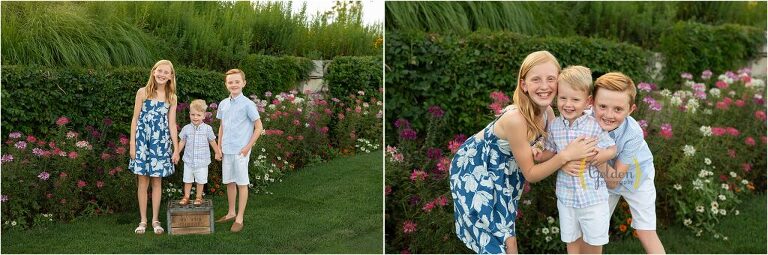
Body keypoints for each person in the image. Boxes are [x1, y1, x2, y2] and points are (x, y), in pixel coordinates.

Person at [449, 51, 598, 254]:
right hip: (476, 168)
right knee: (495, 237)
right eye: (536, 79)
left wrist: (570, 154)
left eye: (551, 79)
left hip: (507, 171)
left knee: (507, 230)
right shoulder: (516, 119)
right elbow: (533, 172)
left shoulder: (548, 113)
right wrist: (565, 157)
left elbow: (555, 148)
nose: (544, 86)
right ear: (524, 84)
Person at [563, 72, 666, 253]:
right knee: (592, 229)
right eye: (602, 106)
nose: (609, 115)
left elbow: (615, 180)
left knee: (645, 230)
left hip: (636, 178)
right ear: (591, 102)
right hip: (601, 179)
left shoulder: (633, 133)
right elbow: (558, 135)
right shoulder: (581, 118)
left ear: (631, 109)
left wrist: (598, 159)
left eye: (618, 109)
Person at [532, 66, 616, 254]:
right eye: (563, 98)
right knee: (572, 241)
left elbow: (612, 148)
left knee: (594, 243)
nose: (568, 104)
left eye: (575, 99)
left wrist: (601, 156)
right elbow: (552, 152)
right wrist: (539, 155)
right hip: (567, 198)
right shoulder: (554, 126)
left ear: (588, 102)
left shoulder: (594, 125)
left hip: (593, 199)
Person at [129, 60, 180, 235]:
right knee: (143, 182)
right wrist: (132, 145)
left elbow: (172, 125)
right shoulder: (143, 93)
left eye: (166, 72)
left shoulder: (171, 97)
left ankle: (155, 220)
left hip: (160, 144)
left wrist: (176, 148)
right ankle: (143, 220)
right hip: (143, 143)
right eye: (160, 71)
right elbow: (135, 119)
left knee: (157, 181)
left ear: (171, 76)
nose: (162, 74)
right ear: (153, 72)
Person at [215, 69, 263, 233]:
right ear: (226, 84)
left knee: (242, 183)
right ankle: (230, 212)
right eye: (230, 82)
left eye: (237, 81)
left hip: (241, 151)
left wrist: (247, 147)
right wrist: (219, 147)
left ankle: (240, 218)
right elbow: (221, 127)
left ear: (243, 83)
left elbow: (258, 127)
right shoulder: (223, 104)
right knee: (229, 182)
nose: (233, 84)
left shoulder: (248, 104)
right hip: (226, 150)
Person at [175, 99, 222, 206]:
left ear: (204, 115)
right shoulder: (186, 129)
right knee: (187, 179)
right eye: (193, 114)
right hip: (188, 160)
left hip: (202, 161)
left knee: (200, 180)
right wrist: (176, 153)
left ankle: (198, 197)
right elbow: (182, 142)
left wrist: (217, 152)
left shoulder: (207, 129)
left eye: (198, 115)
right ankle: (186, 197)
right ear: (189, 114)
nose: (195, 117)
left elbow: (212, 141)